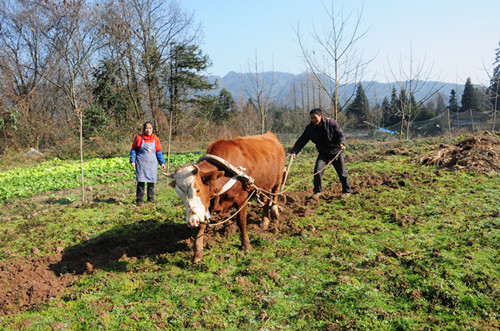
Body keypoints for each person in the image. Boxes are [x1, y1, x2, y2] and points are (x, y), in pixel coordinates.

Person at [290, 108, 351, 200]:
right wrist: (294, 151)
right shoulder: (310, 129)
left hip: (336, 151)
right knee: (317, 170)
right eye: (311, 118)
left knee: (342, 172)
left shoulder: (331, 123)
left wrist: (342, 143)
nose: (313, 120)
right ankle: (317, 191)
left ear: (321, 116)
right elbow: (302, 140)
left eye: (315, 117)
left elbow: (340, 134)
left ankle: (346, 191)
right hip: (323, 153)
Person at [130, 121, 166, 206]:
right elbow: (134, 150)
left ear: (152, 129)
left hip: (152, 164)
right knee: (141, 182)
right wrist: (132, 160)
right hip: (141, 163)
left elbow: (158, 152)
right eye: (146, 128)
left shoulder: (155, 139)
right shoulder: (139, 138)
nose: (148, 130)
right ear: (144, 129)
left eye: (150, 128)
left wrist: (162, 162)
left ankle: (151, 199)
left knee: (151, 182)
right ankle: (140, 200)